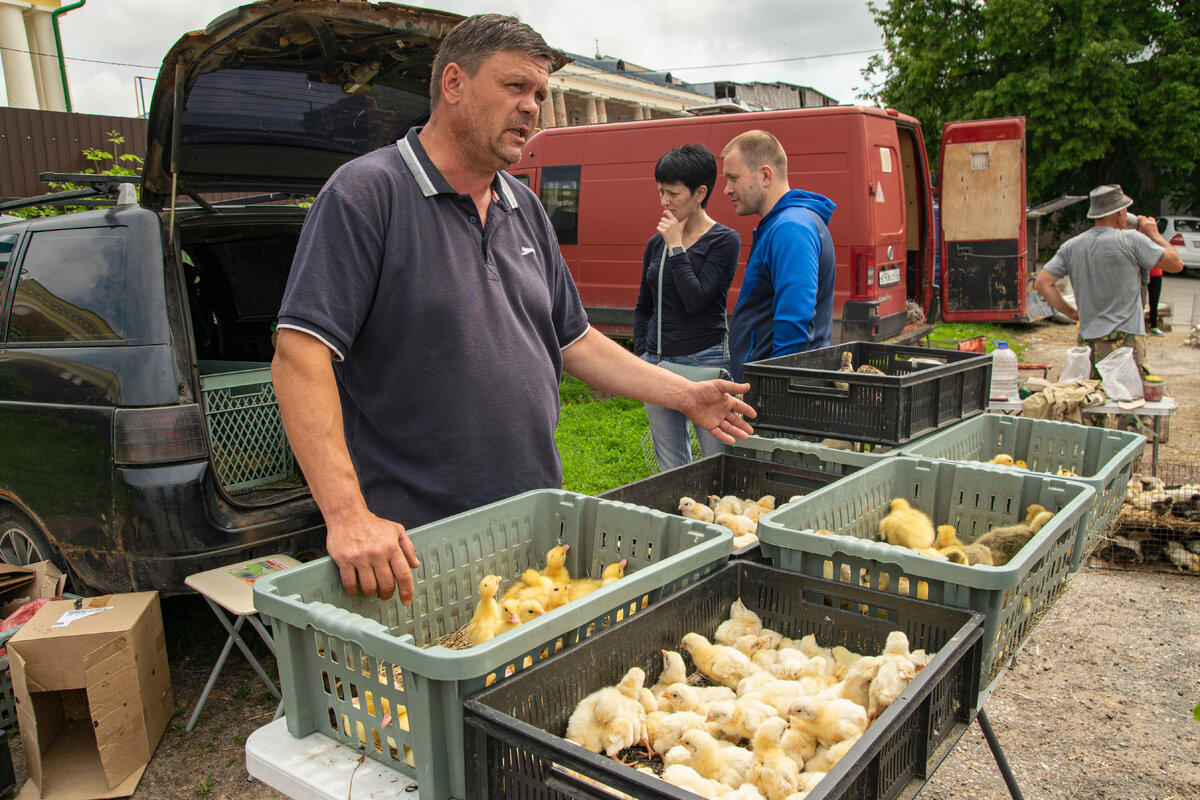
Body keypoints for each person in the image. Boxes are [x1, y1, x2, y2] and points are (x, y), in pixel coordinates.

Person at [271, 14, 755, 605]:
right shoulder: (365, 194)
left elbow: (574, 340)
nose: (533, 107)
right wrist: (347, 515)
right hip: (416, 544)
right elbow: (300, 355)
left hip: (528, 523)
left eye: (541, 94)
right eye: (515, 87)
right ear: (454, 83)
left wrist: (683, 393)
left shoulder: (521, 204)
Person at [633, 144, 741, 470]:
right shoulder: (657, 243)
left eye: (674, 193)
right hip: (658, 363)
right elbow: (643, 307)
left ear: (700, 193)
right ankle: (681, 519)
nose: (664, 202)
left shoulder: (724, 241)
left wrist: (677, 247)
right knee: (672, 467)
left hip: (702, 363)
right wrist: (643, 356)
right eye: (660, 191)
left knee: (716, 464)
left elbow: (697, 299)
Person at [720, 130, 837, 382]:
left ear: (765, 175)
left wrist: (779, 388)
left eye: (733, 178)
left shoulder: (790, 227)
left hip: (779, 394)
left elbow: (795, 318)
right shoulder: (784, 223)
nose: (726, 189)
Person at [1034, 184, 1182, 376]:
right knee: (1127, 402)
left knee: (1094, 399)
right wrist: (1154, 234)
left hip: (1089, 344)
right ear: (1119, 213)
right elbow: (1176, 264)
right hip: (1127, 343)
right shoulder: (1133, 240)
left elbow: (1042, 283)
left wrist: (1072, 313)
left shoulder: (1071, 246)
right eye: (1125, 209)